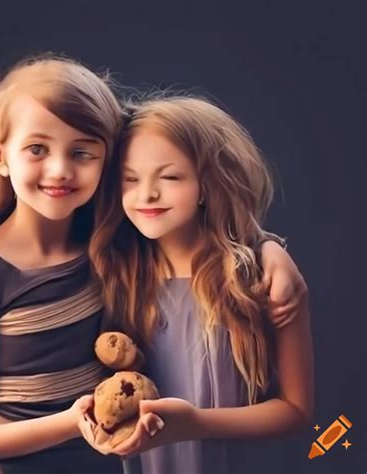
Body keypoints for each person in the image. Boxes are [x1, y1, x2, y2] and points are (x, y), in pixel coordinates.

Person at [86, 96, 313, 474]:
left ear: (207, 184)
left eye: (170, 176)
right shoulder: (116, 274)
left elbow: (296, 410)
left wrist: (193, 424)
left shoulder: (261, 281)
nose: (147, 194)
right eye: (130, 179)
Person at [0, 54, 124, 473]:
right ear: (1, 154)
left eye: (83, 152)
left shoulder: (105, 246)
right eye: (37, 148)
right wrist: (73, 422)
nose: (60, 170)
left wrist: (270, 250)